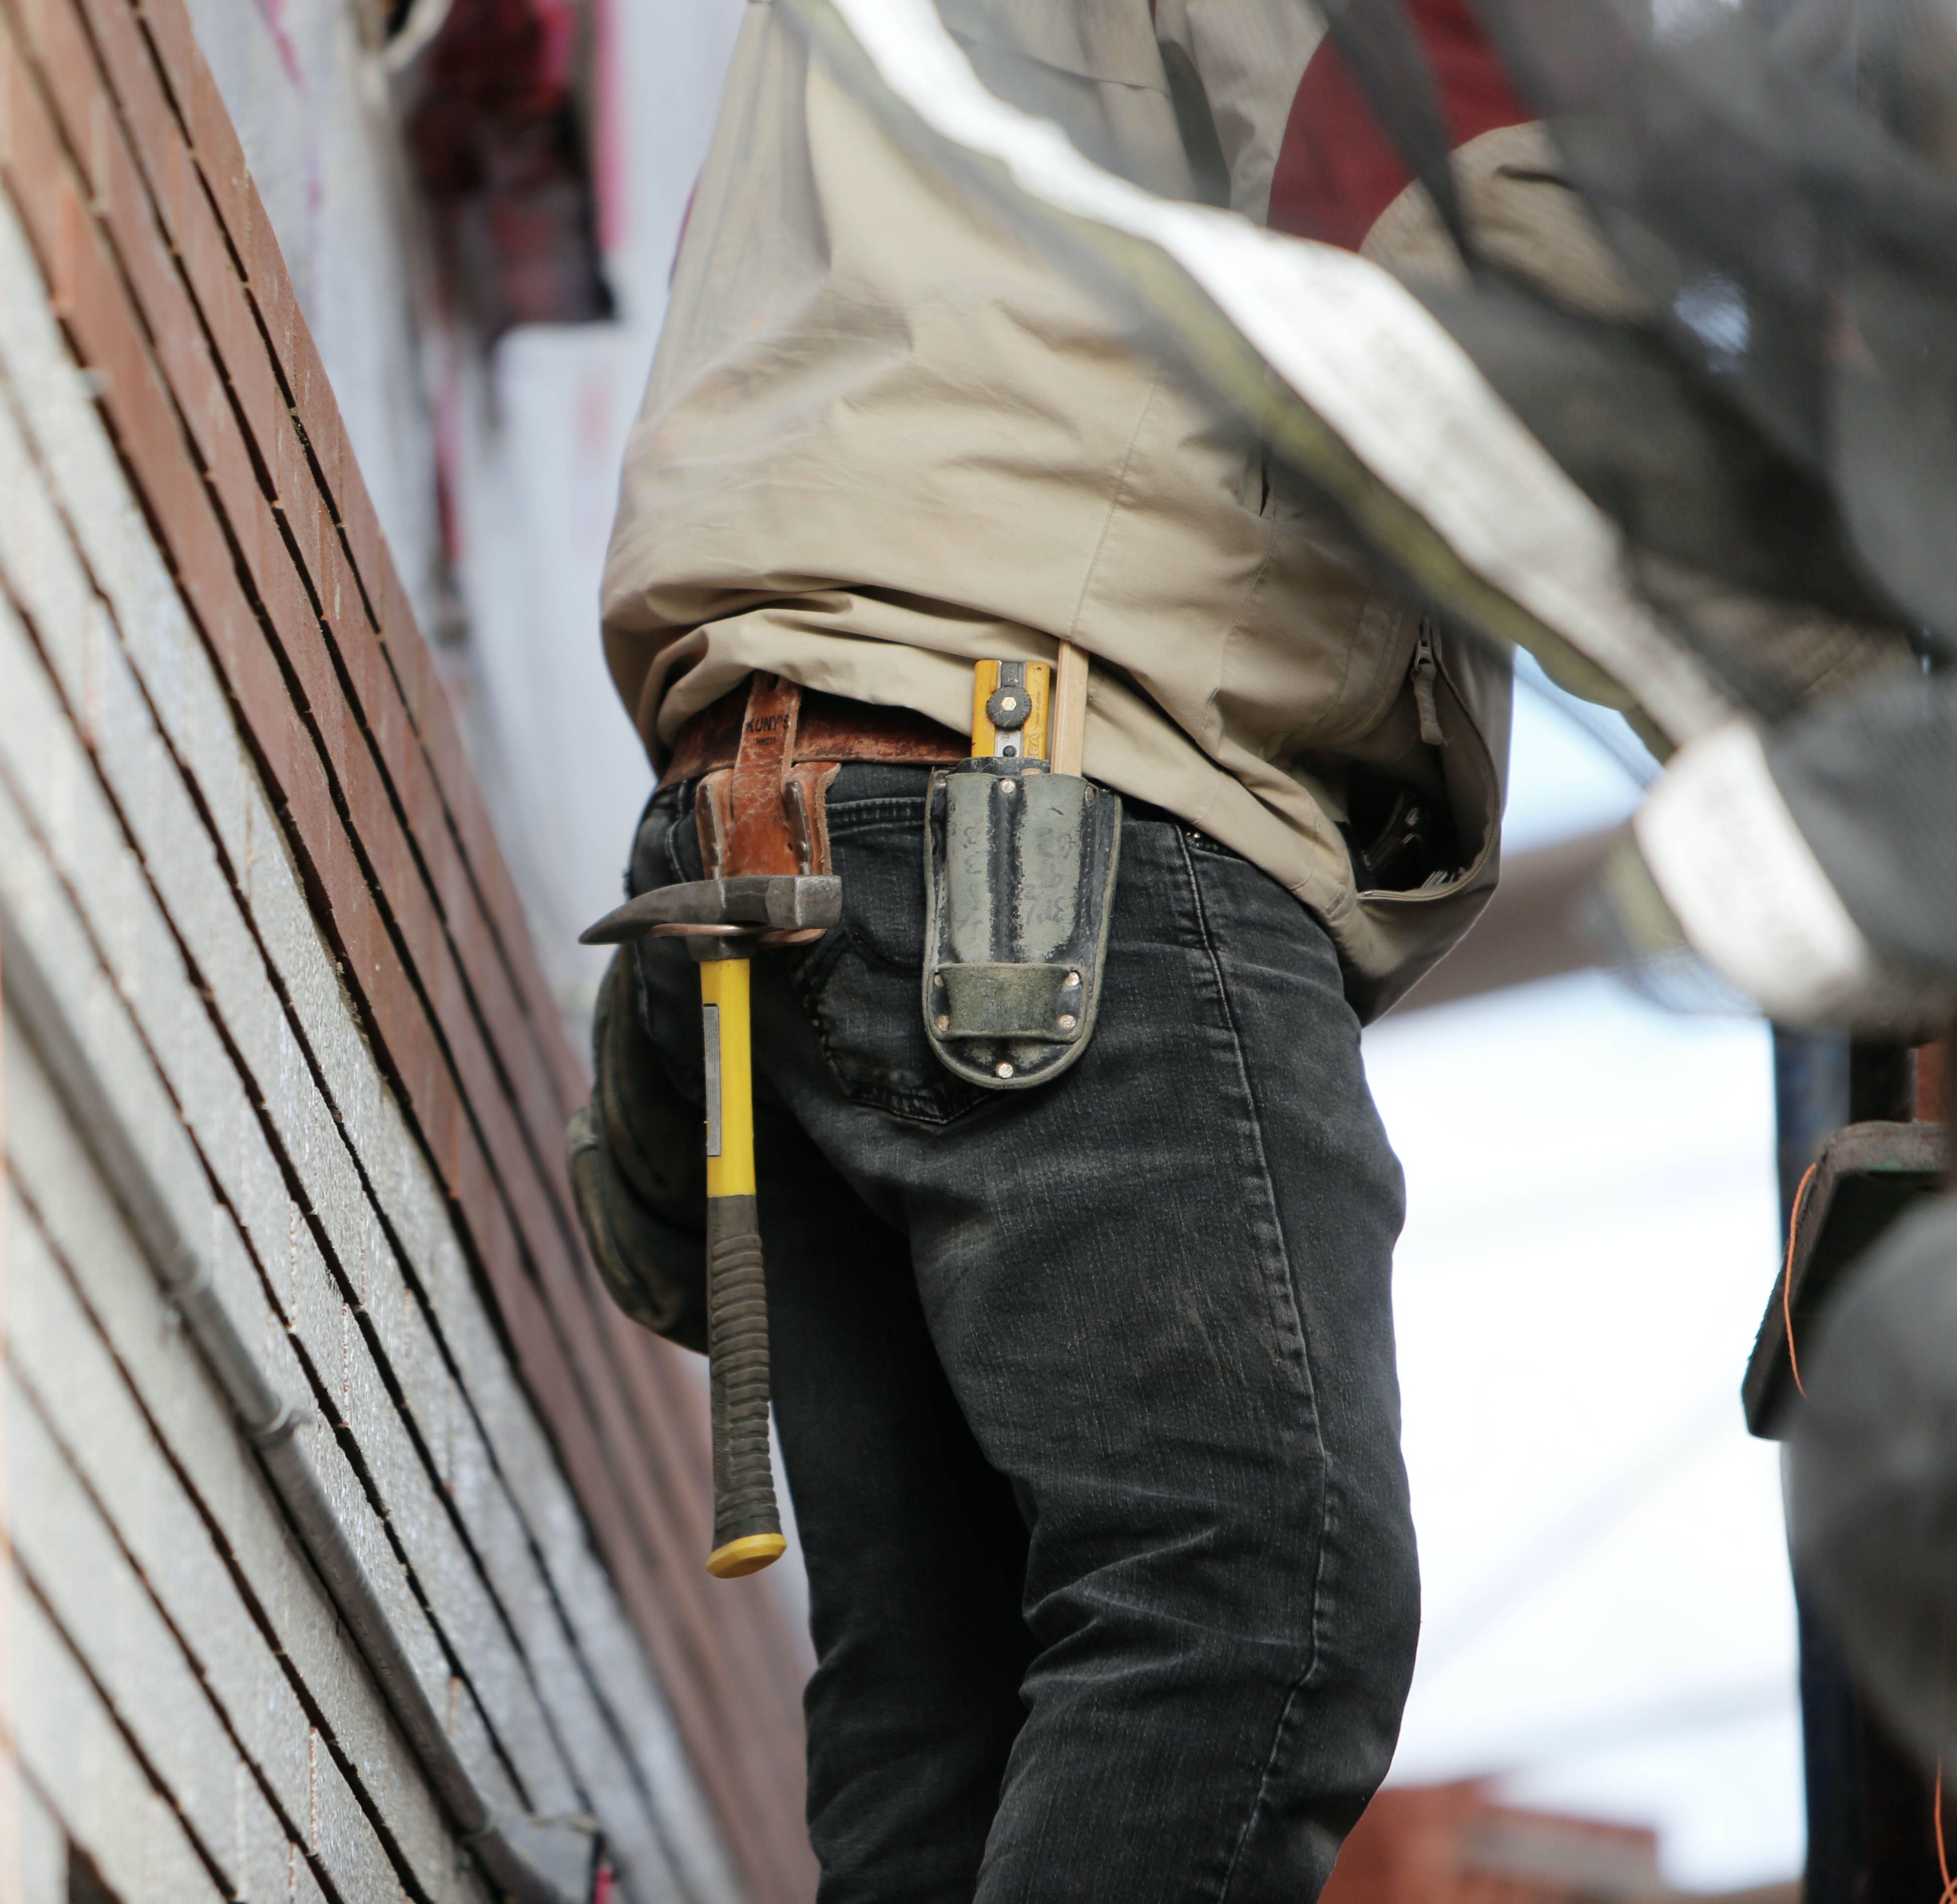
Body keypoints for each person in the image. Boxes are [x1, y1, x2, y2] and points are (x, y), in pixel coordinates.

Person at [578, 1, 1648, 1896]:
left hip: (794, 808)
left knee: (950, 1722)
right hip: (1049, 799)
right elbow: (1482, 261)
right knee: (1254, 1600)